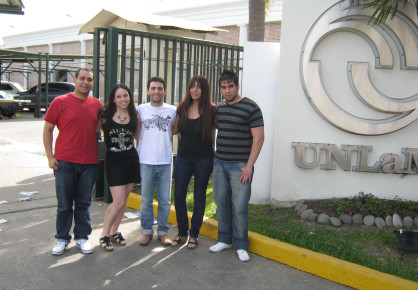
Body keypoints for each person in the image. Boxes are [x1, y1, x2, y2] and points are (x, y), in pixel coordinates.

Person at [43, 68, 103, 255]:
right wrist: (50, 157)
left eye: (89, 80)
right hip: (65, 162)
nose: (85, 82)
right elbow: (47, 130)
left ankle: (82, 237)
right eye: (82, 78)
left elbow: (100, 128)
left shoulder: (97, 105)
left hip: (89, 162)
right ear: (75, 80)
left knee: (84, 203)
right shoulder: (60, 102)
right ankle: (62, 238)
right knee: (65, 204)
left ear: (93, 83)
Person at [209, 70, 264, 262]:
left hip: (240, 166)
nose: (227, 90)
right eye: (223, 87)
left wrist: (249, 166)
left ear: (237, 86)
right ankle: (224, 239)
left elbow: (259, 138)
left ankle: (240, 244)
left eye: (230, 86)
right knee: (221, 202)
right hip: (220, 163)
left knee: (239, 206)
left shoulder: (251, 107)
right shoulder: (220, 108)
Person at [171, 76, 217, 249]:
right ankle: (182, 232)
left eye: (199, 87)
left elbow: (222, 127)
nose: (195, 90)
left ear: (204, 90)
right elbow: (175, 129)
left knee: (199, 195)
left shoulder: (212, 111)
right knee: (179, 195)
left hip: (203, 159)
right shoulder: (182, 108)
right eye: (192, 86)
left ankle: (194, 234)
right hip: (183, 157)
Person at [97, 83, 141, 251]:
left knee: (123, 202)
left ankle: (115, 231)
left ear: (130, 97)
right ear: (114, 100)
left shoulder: (134, 115)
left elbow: (138, 137)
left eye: (126, 95)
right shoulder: (105, 115)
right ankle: (104, 234)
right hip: (114, 161)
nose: (123, 99)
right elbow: (93, 130)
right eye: (119, 96)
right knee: (118, 201)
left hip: (130, 160)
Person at [136, 76, 176, 247]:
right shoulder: (141, 109)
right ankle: (146, 231)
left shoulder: (172, 110)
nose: (156, 91)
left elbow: (174, 130)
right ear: (148, 90)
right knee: (146, 199)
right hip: (146, 160)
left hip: (166, 160)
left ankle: (163, 231)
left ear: (164, 91)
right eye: (153, 88)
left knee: (165, 199)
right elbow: (137, 132)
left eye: (160, 88)